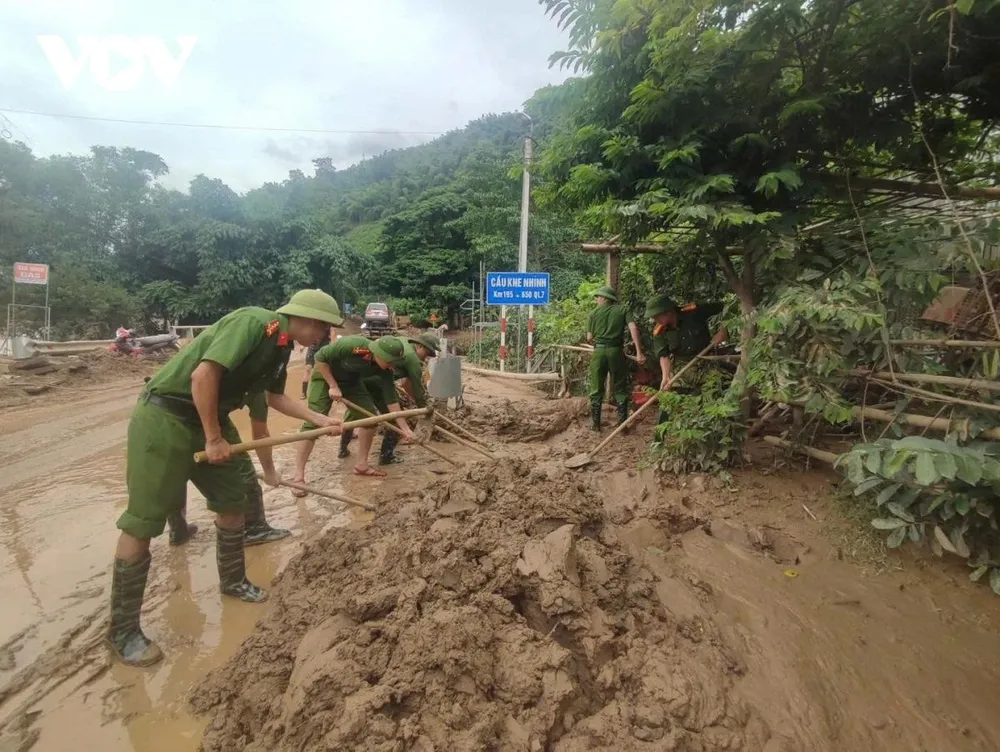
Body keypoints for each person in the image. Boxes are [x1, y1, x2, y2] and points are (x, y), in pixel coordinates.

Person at [108, 289, 345, 668]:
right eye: (326, 329)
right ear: (310, 321)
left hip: (209, 417)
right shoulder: (255, 322)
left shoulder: (283, 347)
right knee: (143, 521)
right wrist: (214, 437)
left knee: (234, 500)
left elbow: (273, 398)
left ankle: (233, 582)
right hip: (167, 416)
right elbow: (204, 375)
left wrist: (321, 420)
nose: (325, 338)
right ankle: (122, 632)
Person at [166, 389, 291, 548]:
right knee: (241, 466)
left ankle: (178, 530)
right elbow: (260, 434)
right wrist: (269, 472)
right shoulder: (259, 381)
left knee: (176, 469)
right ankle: (254, 529)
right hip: (205, 418)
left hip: (164, 413)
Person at [293, 335, 414, 484]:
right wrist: (333, 386)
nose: (392, 366)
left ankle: (361, 465)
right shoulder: (353, 345)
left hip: (351, 382)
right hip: (324, 377)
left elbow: (391, 401)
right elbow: (320, 358)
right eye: (390, 362)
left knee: (370, 419)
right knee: (313, 423)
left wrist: (405, 429)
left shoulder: (386, 370)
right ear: (379, 354)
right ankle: (298, 477)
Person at [342, 332, 440, 465]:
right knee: (396, 419)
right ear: (419, 346)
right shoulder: (413, 361)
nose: (426, 359)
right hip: (378, 384)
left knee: (355, 413)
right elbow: (417, 389)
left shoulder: (401, 342)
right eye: (427, 354)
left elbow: (406, 384)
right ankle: (386, 457)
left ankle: (343, 449)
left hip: (361, 380)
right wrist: (424, 408)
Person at [586, 286, 646, 431]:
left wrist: (598, 343)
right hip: (616, 352)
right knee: (620, 386)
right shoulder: (623, 310)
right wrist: (639, 352)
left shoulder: (593, 313)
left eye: (598, 297)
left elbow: (589, 338)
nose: (597, 300)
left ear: (605, 298)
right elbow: (633, 328)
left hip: (599, 353)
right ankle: (622, 425)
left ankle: (595, 425)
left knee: (596, 387)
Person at [645, 295, 728, 391]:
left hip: (706, 361)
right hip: (682, 369)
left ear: (668, 311)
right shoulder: (659, 331)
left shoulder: (694, 312)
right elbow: (664, 356)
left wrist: (723, 330)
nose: (655, 320)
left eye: (656, 316)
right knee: (677, 397)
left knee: (721, 387)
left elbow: (726, 308)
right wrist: (665, 377)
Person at [301, 327, 333, 398]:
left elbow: (333, 336)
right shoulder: (314, 323)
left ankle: (330, 389)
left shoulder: (329, 326)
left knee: (326, 368)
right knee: (307, 369)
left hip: (323, 349)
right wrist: (303, 346)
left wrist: (333, 347)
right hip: (312, 348)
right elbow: (308, 334)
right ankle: (304, 392)